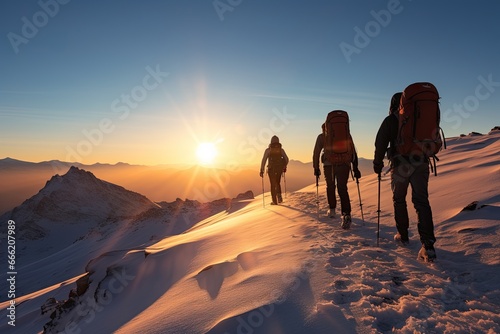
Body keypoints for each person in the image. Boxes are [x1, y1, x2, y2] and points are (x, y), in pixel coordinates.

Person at [373, 92, 437, 261]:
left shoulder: (391, 120)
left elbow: (380, 142)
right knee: (421, 201)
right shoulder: (419, 115)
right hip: (421, 161)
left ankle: (403, 235)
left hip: (401, 165)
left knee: (399, 199)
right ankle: (428, 245)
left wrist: (377, 163)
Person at [313, 123, 361, 227]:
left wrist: (316, 168)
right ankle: (346, 214)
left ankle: (332, 209)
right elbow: (353, 151)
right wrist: (355, 168)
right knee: (342, 188)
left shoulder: (322, 136)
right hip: (344, 164)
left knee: (330, 186)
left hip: (328, 165)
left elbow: (316, 152)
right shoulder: (345, 134)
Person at [260, 135, 289, 205]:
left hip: (271, 169)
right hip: (279, 169)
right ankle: (279, 197)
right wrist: (284, 166)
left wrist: (262, 170)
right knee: (277, 182)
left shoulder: (268, 150)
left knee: (273, 184)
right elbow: (287, 159)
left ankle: (274, 201)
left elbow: (263, 160)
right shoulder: (281, 150)